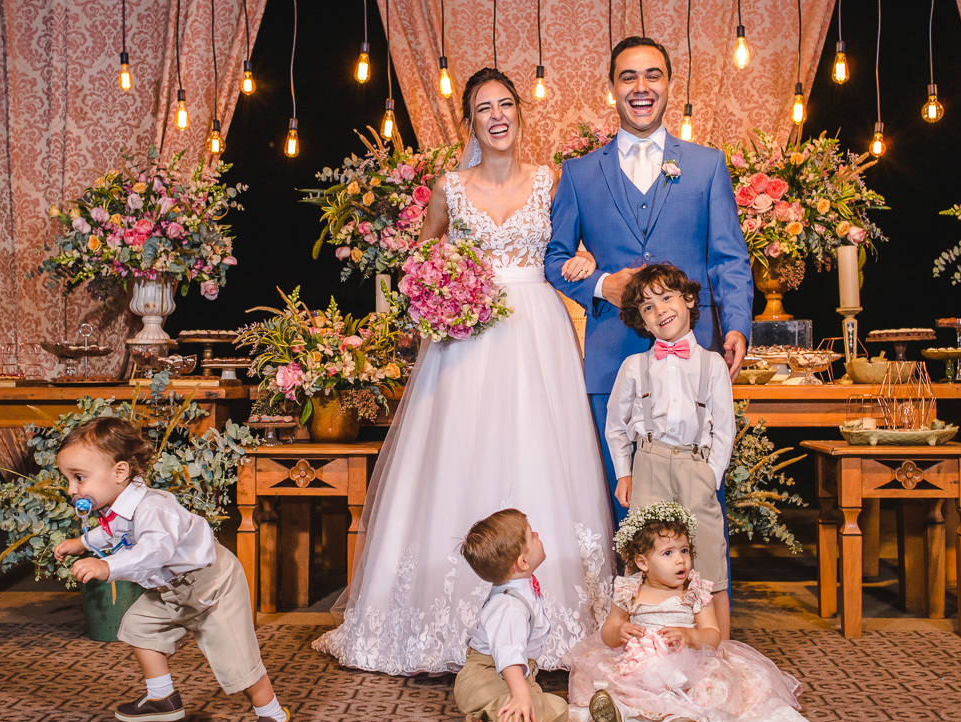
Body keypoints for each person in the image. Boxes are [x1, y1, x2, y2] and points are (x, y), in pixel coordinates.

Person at [313, 68, 615, 675]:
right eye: (484, 108)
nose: (497, 115)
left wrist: (585, 262)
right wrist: (439, 294)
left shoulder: (549, 182)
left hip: (536, 331)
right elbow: (423, 260)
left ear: (519, 114)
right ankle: (442, 620)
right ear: (470, 122)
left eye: (506, 104)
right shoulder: (449, 187)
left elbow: (564, 254)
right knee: (458, 454)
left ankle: (550, 617)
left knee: (539, 447)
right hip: (468, 334)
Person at [544, 36, 754, 526]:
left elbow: (728, 259)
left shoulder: (706, 166)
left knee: (700, 501)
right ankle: (630, 603)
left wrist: (738, 326)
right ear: (612, 89)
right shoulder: (578, 173)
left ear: (670, 85)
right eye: (628, 77)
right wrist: (601, 286)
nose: (641, 87)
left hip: (695, 359)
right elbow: (553, 258)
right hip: (611, 358)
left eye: (652, 75)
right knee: (621, 501)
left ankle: (702, 601)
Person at [52, 417, 294, 722]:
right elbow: (113, 533)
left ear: (119, 472)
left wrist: (106, 566)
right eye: (68, 479)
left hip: (211, 584)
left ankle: (274, 716)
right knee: (138, 627)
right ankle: (162, 695)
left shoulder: (153, 507)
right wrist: (82, 541)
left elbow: (153, 552)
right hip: (170, 590)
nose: (71, 489)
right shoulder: (116, 506)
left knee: (234, 658)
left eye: (78, 478)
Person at [565, 502, 812, 722]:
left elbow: (713, 635)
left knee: (713, 685)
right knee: (603, 675)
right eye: (668, 553)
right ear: (643, 563)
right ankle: (627, 713)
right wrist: (619, 631)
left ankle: (672, 721)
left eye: (684, 550)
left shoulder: (694, 591)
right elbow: (608, 631)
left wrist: (690, 636)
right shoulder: (630, 590)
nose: (680, 560)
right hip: (639, 665)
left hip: (688, 666)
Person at [606, 263, 737, 638]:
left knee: (708, 553)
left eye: (666, 298)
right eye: (648, 307)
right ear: (642, 321)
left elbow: (723, 429)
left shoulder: (712, 364)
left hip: (696, 466)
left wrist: (710, 474)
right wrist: (625, 473)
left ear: (689, 299)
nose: (659, 310)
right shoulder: (635, 366)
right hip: (649, 463)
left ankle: (719, 649)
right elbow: (616, 425)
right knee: (646, 552)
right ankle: (638, 643)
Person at [453, 509, 569, 722]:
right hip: (484, 676)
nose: (538, 535)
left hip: (504, 676)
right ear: (523, 562)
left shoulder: (520, 586)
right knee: (537, 706)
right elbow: (508, 654)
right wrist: (521, 694)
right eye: (532, 535)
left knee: (557, 708)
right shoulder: (509, 606)